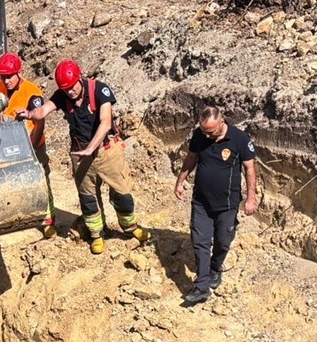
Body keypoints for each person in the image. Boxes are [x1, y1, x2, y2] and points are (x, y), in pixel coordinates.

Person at [18, 60, 154, 255]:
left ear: (79, 79)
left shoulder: (99, 90)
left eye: (72, 87)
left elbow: (105, 122)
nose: (70, 92)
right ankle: (97, 234)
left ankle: (131, 227)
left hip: (107, 151)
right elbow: (44, 110)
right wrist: (31, 113)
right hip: (80, 155)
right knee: (88, 198)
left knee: (122, 193)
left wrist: (91, 147)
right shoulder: (62, 95)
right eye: (65, 89)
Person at [172, 106, 258, 305]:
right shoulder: (200, 136)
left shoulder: (240, 139)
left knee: (222, 240)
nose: (207, 135)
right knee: (200, 241)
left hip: (227, 203)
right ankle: (202, 286)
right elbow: (191, 158)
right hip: (201, 201)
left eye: (210, 131)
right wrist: (180, 181)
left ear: (222, 121)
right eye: (203, 131)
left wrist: (251, 198)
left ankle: (215, 268)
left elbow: (249, 168)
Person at [0, 53, 56, 238]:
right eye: (3, 77)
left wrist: (35, 143)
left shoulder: (32, 92)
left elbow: (40, 121)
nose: (6, 81)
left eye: (9, 77)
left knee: (41, 178)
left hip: (31, 143)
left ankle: (47, 219)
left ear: (18, 73)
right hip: (9, 144)